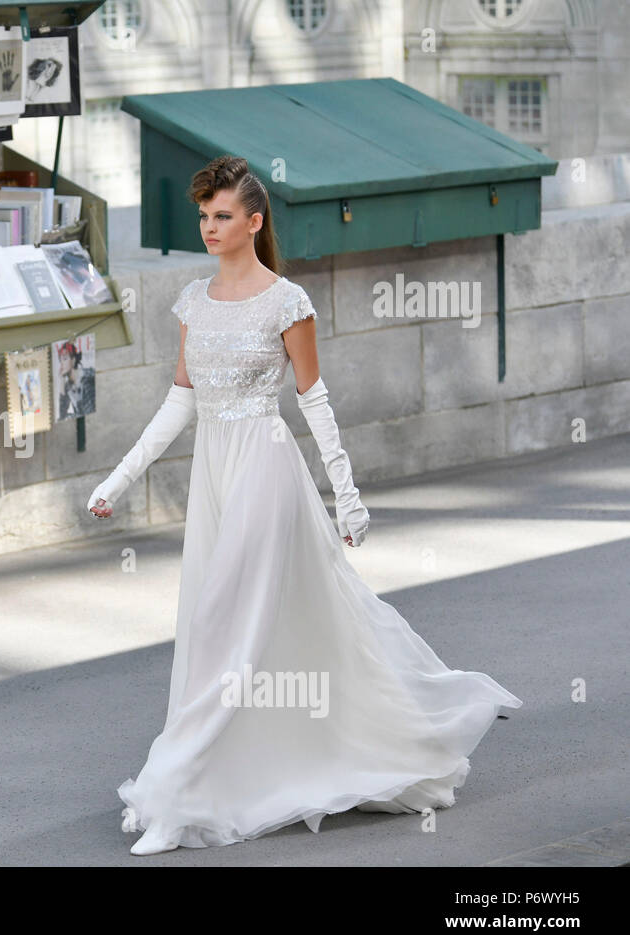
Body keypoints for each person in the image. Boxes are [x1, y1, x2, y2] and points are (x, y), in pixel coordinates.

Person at [89, 155, 521, 855]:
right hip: (213, 475)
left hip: (265, 466)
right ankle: (221, 781)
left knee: (221, 621)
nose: (209, 226)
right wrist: (118, 479)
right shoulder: (192, 303)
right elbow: (180, 401)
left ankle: (173, 798)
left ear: (254, 222)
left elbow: (314, 402)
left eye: (222, 215)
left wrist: (346, 498)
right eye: (204, 215)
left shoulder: (288, 302)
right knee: (214, 632)